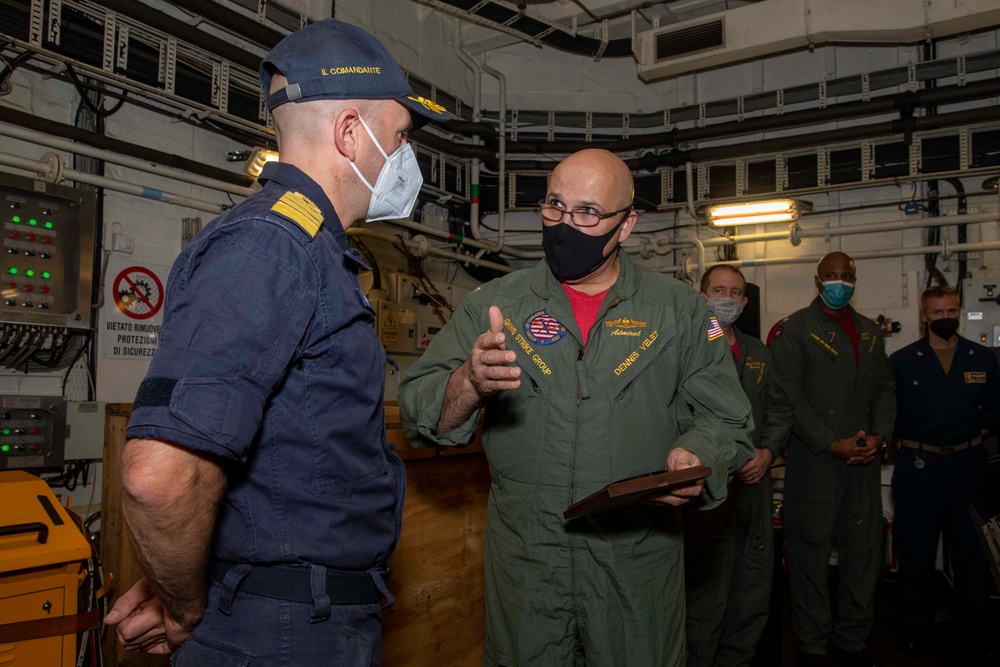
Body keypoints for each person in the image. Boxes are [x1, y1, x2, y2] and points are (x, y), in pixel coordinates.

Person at [102, 19, 451, 665]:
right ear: (351, 131)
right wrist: (185, 604)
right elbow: (159, 474)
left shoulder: (307, 249)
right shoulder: (271, 247)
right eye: (400, 138)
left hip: (301, 615)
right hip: (282, 631)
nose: (406, 159)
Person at [397, 148, 755, 666]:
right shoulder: (496, 305)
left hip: (636, 560)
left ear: (626, 224)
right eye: (554, 207)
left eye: (588, 212)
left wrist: (697, 455)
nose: (565, 225)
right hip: (527, 563)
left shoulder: (681, 313)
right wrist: (468, 382)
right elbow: (417, 409)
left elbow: (727, 418)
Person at [769, 251, 896, 667]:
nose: (839, 282)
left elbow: (884, 391)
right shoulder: (797, 330)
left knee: (864, 552)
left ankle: (852, 638)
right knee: (809, 553)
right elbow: (790, 396)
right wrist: (828, 442)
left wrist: (879, 438)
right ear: (817, 280)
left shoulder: (869, 333)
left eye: (846, 276)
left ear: (855, 280)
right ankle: (810, 642)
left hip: (862, 462)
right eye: (831, 276)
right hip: (816, 462)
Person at [684, 264, 793, 667]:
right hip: (713, 490)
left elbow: (780, 408)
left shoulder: (758, 351)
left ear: (744, 302)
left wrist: (767, 452)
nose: (726, 299)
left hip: (756, 488)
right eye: (718, 290)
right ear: (702, 295)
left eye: (735, 293)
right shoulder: (690, 345)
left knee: (752, 588)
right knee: (706, 596)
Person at [889, 285, 999, 660]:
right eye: (938, 313)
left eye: (952, 310)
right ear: (924, 316)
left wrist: (963, 441)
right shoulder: (903, 361)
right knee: (916, 553)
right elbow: (893, 414)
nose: (946, 318)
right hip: (920, 468)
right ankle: (914, 629)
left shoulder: (982, 358)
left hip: (969, 468)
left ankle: (973, 630)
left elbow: (993, 413)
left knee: (972, 555)